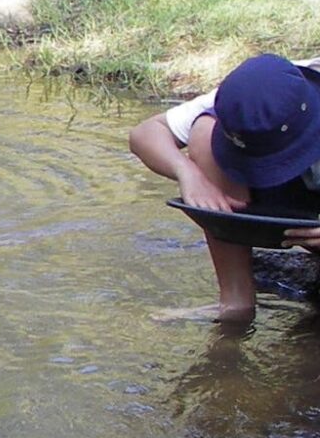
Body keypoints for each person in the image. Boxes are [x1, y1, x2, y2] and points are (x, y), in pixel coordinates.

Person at [128, 52, 320, 323]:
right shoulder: (250, 97)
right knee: (204, 133)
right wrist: (189, 174)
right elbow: (145, 133)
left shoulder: (292, 94)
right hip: (296, 203)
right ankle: (235, 303)